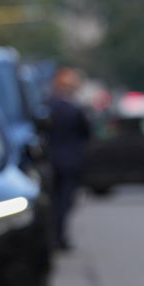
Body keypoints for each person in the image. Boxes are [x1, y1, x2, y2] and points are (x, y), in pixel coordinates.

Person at [45, 67, 91, 251]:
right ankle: (59, 236)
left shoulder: (48, 106)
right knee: (64, 201)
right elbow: (86, 132)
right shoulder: (74, 109)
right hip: (70, 161)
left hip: (51, 160)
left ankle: (53, 236)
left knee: (54, 200)